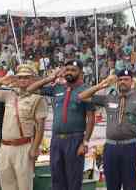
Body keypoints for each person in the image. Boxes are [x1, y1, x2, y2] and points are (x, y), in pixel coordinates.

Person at [27, 60, 96, 190]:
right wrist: (51, 77)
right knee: (57, 179)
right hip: (56, 140)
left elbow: (91, 119)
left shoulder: (86, 90)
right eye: (67, 70)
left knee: (73, 180)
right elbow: (30, 89)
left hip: (75, 140)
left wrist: (85, 142)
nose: (69, 72)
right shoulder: (58, 88)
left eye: (73, 70)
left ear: (81, 73)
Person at [78, 69, 136, 190]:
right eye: (120, 79)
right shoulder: (109, 98)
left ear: (132, 81)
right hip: (111, 148)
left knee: (130, 185)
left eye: (126, 80)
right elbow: (82, 96)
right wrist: (103, 84)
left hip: (130, 147)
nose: (123, 82)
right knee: (111, 185)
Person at [0, 64, 48, 190]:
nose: (23, 80)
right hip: (5, 148)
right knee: (7, 184)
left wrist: (35, 148)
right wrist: (1, 81)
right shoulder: (10, 95)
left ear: (33, 79)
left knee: (24, 185)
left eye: (26, 77)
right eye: (20, 77)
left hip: (23, 147)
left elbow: (40, 127)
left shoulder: (37, 99)